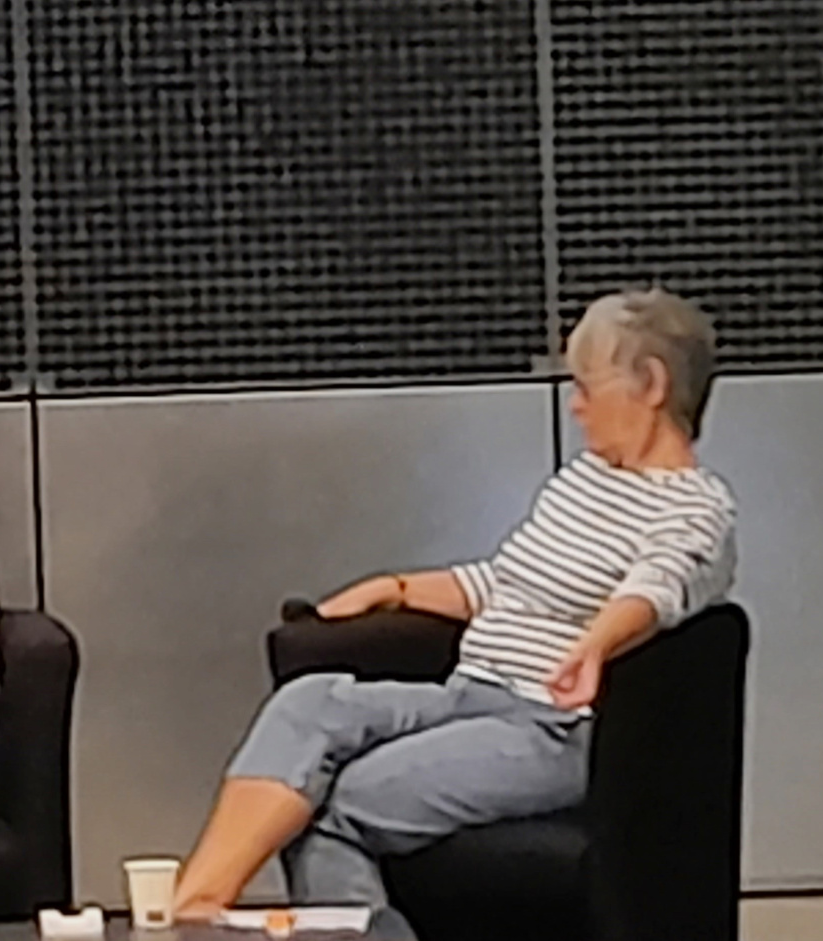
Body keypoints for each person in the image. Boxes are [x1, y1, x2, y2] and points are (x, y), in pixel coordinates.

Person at [170, 288, 738, 930]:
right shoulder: (584, 481)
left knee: (339, 805)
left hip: (551, 728)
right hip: (469, 694)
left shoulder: (695, 510)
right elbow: (506, 582)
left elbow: (659, 590)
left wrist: (596, 644)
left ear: (652, 384)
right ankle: (189, 916)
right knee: (310, 703)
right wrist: (396, 588)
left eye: (586, 386)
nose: (575, 405)